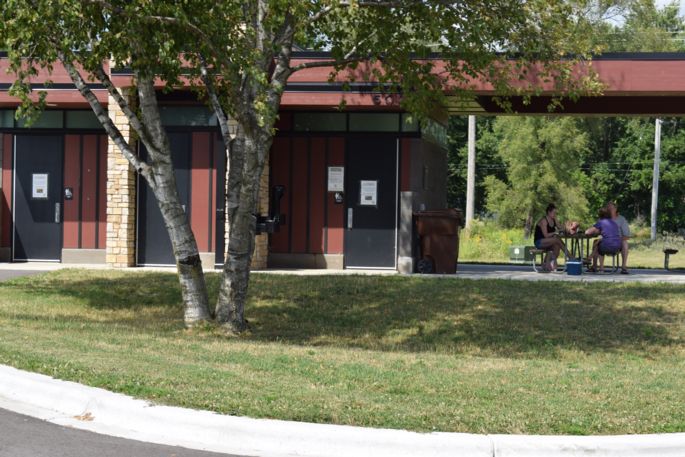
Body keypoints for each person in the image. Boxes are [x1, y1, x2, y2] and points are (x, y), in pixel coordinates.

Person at [534, 203, 571, 271]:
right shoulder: (544, 221)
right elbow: (546, 235)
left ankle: (548, 263)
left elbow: (560, 227)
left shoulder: (554, 219)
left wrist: (567, 228)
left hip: (549, 242)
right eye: (554, 213)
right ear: (549, 212)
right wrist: (555, 232)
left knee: (557, 246)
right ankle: (571, 257)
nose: (555, 214)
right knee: (557, 240)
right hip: (540, 241)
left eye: (556, 213)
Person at [585, 206, 622, 273]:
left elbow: (587, 232)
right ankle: (592, 262)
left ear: (600, 215)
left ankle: (600, 267)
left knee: (598, 245)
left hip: (607, 246)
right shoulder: (613, 222)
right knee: (597, 242)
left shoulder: (601, 222)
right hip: (618, 247)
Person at [606, 201, 630, 274]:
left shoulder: (621, 219)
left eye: (611, 208)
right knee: (596, 242)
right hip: (606, 241)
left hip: (617, 242)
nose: (610, 210)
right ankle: (594, 266)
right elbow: (597, 230)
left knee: (625, 243)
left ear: (616, 209)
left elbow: (627, 236)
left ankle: (623, 267)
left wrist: (617, 239)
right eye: (608, 208)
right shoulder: (604, 218)